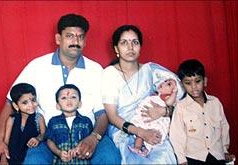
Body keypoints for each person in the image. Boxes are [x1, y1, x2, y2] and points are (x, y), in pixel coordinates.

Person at [0, 13, 120, 165]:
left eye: (80, 37)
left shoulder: (95, 70)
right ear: (58, 39)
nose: (75, 41)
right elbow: (10, 103)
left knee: (110, 159)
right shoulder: (37, 66)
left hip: (87, 134)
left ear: (85, 41)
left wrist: (94, 137)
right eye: (70, 36)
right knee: (33, 162)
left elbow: (102, 115)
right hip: (46, 138)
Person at [101, 24, 184, 164]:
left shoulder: (150, 70)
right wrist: (141, 133)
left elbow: (179, 91)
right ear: (116, 49)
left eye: (135, 42)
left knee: (163, 156)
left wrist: (164, 111)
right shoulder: (109, 74)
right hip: (123, 130)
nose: (130, 47)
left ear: (140, 47)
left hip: (154, 127)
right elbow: (112, 117)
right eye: (124, 43)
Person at [169, 59, 236, 165]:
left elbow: (224, 127)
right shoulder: (181, 107)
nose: (194, 86)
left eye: (197, 81)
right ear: (182, 85)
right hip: (194, 158)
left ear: (204, 81)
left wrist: (224, 151)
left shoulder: (215, 103)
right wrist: (182, 160)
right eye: (188, 83)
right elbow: (176, 136)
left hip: (217, 156)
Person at [129, 77, 178, 157]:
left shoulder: (166, 97)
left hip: (157, 120)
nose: (164, 83)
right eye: (165, 81)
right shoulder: (156, 95)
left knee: (153, 134)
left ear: (172, 92)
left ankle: (146, 150)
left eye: (169, 84)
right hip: (147, 117)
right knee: (140, 133)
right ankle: (137, 147)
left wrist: (174, 93)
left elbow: (169, 103)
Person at [46, 84, 93, 164]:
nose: (69, 100)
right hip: (61, 161)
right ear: (58, 106)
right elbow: (49, 141)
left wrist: (80, 150)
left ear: (79, 103)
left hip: (82, 161)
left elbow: (90, 141)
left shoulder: (86, 121)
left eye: (73, 97)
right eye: (64, 98)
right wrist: (59, 153)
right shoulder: (53, 121)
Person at [1, 83, 46, 165]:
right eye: (25, 102)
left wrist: (37, 139)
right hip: (12, 157)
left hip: (31, 156)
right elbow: (6, 142)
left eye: (33, 100)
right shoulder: (12, 119)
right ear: (16, 106)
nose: (31, 105)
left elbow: (44, 134)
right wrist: (3, 159)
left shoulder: (39, 118)